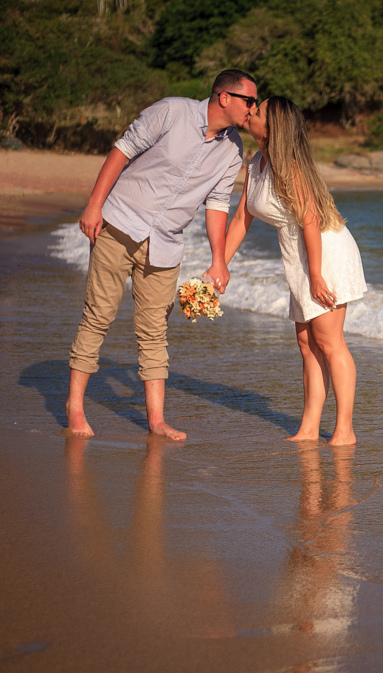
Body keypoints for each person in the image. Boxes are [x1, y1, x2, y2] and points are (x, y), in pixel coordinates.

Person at [65, 69, 257, 440]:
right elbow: (122, 150)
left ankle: (156, 421)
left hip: (166, 244)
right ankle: (75, 407)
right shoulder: (171, 111)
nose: (253, 108)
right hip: (119, 225)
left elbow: (218, 204)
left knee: (155, 332)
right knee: (98, 316)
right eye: (249, 101)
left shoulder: (234, 150)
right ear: (225, 97)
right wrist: (94, 205)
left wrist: (219, 260)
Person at [223, 96, 365, 445]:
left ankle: (345, 431)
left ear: (273, 128)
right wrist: (218, 265)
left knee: (329, 342)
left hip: (324, 252)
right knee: (307, 343)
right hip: (299, 256)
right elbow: (241, 219)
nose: (251, 111)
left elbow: (311, 220)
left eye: (258, 111)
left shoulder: (290, 167)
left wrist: (316, 275)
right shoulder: (256, 163)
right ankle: (308, 429)